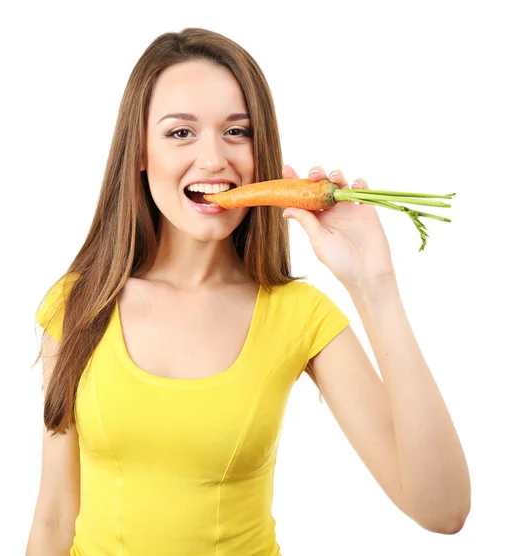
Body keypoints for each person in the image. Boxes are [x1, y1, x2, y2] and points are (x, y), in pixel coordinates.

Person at [26, 27, 470, 556]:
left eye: (237, 131)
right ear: (138, 152)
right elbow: (55, 518)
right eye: (180, 133)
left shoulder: (299, 317)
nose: (214, 159)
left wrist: (375, 286)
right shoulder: (79, 304)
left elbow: (442, 509)